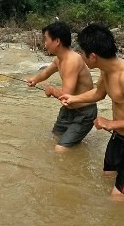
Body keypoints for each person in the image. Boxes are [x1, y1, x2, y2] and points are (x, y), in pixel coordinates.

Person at [59, 23, 124, 197]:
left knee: (120, 200)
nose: (81, 56)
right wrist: (74, 98)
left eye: (83, 53)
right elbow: (98, 93)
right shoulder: (107, 71)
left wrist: (111, 123)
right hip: (119, 137)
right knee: (107, 178)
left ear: (93, 56)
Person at [27, 21, 97, 152]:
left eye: (46, 39)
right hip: (68, 110)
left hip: (84, 112)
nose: (45, 44)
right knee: (54, 138)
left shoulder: (72, 61)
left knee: (60, 149)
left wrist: (52, 90)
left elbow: (66, 96)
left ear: (57, 41)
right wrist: (34, 80)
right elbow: (46, 73)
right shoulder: (59, 59)